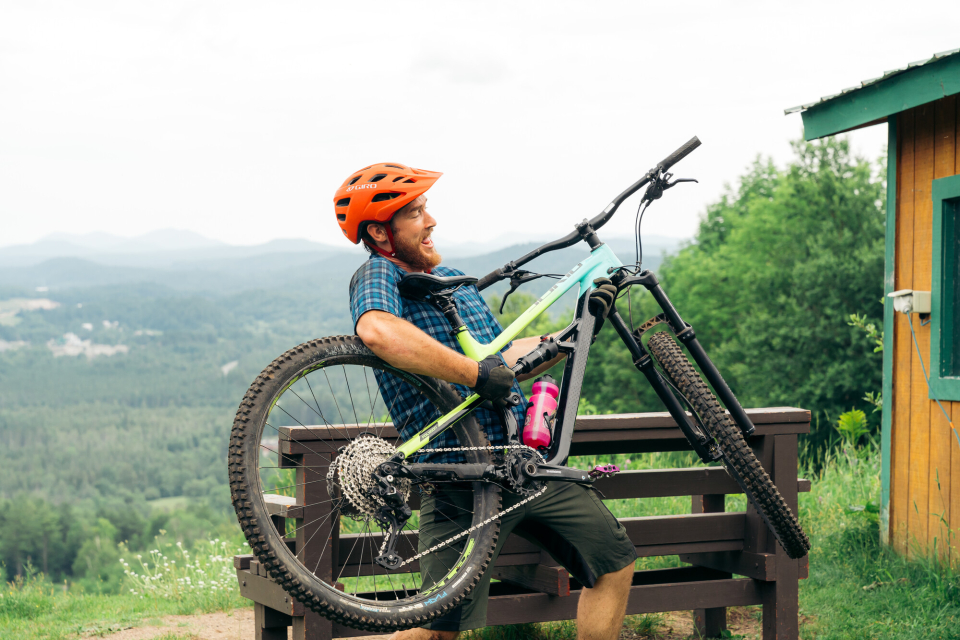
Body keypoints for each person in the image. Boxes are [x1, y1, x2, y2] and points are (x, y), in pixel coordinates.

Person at [338, 163, 636, 640]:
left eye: (426, 209)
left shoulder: (455, 280)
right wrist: (474, 374)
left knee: (613, 565)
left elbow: (506, 361)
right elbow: (377, 330)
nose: (431, 221)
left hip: (524, 464)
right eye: (415, 213)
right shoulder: (378, 273)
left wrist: (580, 329)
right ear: (379, 231)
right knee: (435, 632)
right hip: (458, 478)